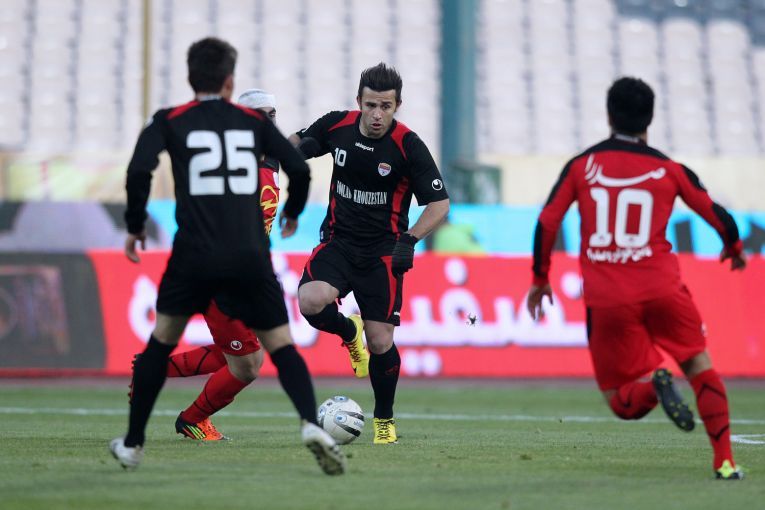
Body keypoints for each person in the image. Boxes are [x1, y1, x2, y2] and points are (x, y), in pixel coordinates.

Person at [110, 37, 346, 476]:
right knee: (272, 352)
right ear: (230, 81)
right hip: (248, 259)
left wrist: (135, 224)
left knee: (167, 343)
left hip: (194, 254)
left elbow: (139, 168)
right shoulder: (251, 127)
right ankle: (310, 425)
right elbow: (299, 168)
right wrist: (294, 213)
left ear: (190, 78)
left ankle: (133, 443)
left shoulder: (171, 119)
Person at [527, 77, 746, 480]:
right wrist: (733, 248)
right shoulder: (669, 169)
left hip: (608, 299)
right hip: (663, 288)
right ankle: (725, 462)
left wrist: (541, 277)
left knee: (620, 400)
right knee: (699, 365)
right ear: (651, 118)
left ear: (609, 115)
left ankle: (655, 385)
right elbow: (719, 216)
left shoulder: (581, 166)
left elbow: (547, 221)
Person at [288, 63, 450, 444]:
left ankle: (384, 420)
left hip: (382, 253)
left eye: (386, 107)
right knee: (309, 301)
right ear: (359, 101)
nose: (377, 114)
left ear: (397, 106)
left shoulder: (408, 145)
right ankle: (349, 330)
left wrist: (410, 240)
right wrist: (280, 153)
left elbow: (440, 204)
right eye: (371, 105)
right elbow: (297, 143)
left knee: (380, 343)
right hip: (339, 241)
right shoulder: (337, 126)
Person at [127, 89, 283, 442]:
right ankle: (193, 419)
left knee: (237, 353)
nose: (268, 122)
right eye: (260, 115)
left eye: (272, 114)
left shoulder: (268, 160)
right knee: (247, 365)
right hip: (222, 276)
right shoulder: (230, 169)